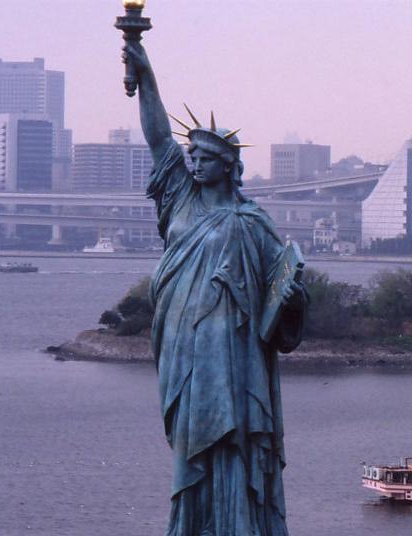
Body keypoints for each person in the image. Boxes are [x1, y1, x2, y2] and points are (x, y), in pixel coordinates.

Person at [122, 41, 306, 536]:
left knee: (234, 444)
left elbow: (282, 291)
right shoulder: (179, 200)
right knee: (191, 445)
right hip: (183, 346)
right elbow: (159, 138)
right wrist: (146, 75)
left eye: (205, 157)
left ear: (228, 164)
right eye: (193, 156)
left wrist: (292, 302)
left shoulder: (252, 222)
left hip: (234, 351)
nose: (194, 163)